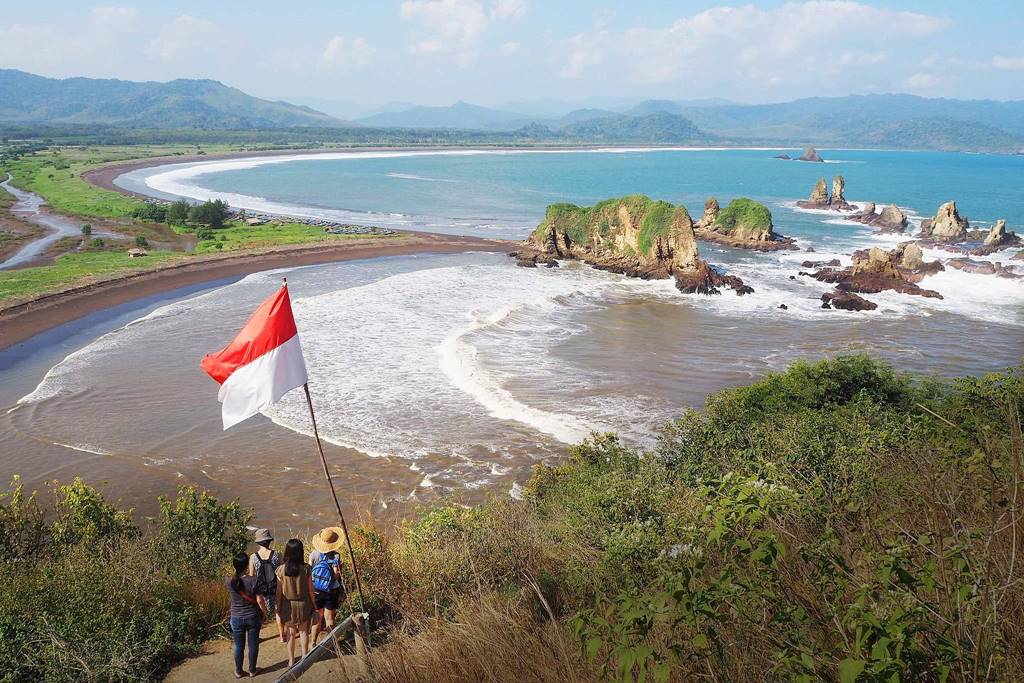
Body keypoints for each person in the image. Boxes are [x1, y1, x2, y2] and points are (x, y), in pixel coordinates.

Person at [275, 538, 316, 668]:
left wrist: (278, 607)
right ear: (300, 552)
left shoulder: (281, 570)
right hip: (304, 603)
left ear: (287, 551)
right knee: (304, 631)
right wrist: (314, 605)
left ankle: (291, 660)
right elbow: (311, 590)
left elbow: (278, 592)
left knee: (290, 633)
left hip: (288, 605)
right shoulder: (306, 569)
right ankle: (304, 656)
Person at [226, 551, 267, 679]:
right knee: (253, 644)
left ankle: (238, 671)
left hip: (236, 617)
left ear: (234, 565)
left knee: (239, 645)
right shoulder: (254, 580)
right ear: (246, 565)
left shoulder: (228, 580)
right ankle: (252, 670)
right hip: (253, 616)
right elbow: (260, 600)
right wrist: (264, 612)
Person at [309, 526, 347, 646]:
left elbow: (309, 571)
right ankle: (333, 643)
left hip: (316, 590)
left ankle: (313, 643)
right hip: (331, 590)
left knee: (317, 617)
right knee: (329, 617)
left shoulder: (314, 554)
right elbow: (336, 575)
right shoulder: (335, 556)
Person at [248, 528, 283, 642]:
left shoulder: (253, 557)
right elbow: (281, 571)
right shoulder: (277, 554)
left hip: (261, 590)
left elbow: (252, 576)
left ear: (258, 542)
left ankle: (256, 637)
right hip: (275, 588)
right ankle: (282, 636)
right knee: (278, 612)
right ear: (269, 541)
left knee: (259, 615)